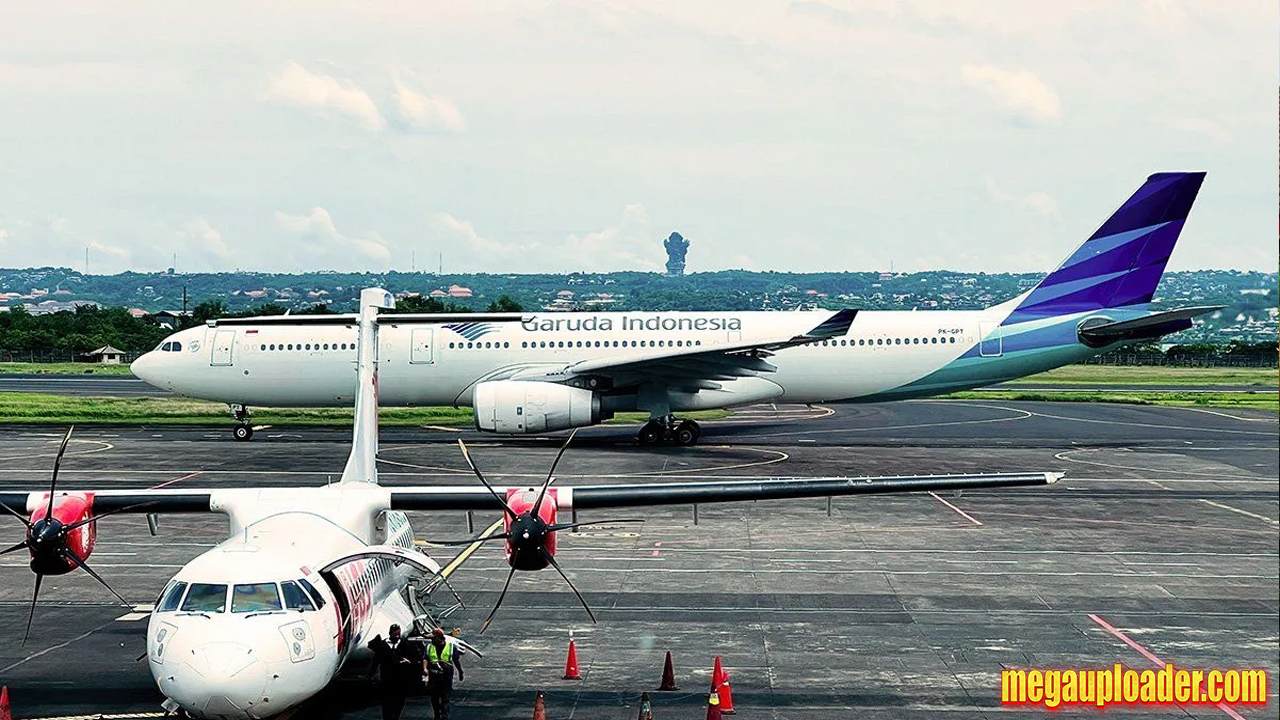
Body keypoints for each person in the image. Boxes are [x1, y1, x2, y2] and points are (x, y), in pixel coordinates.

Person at [368, 624, 424, 720]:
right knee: (386, 701)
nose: (397, 636)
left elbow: (416, 657)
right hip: (386, 678)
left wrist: (409, 661)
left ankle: (396, 717)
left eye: (398, 634)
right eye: (395, 634)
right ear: (390, 634)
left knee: (399, 701)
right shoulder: (382, 645)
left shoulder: (405, 645)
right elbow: (375, 661)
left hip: (401, 679)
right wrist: (370, 675)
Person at [424, 626, 464, 720]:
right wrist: (425, 668)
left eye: (433, 638)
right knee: (434, 698)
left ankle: (444, 717)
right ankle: (437, 715)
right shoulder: (430, 647)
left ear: (438, 638)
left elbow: (456, 660)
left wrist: (460, 672)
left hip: (446, 676)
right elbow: (425, 658)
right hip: (434, 676)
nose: (432, 640)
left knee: (445, 697)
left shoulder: (450, 647)